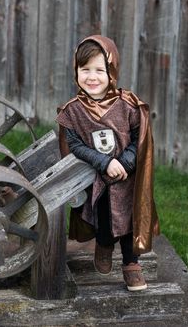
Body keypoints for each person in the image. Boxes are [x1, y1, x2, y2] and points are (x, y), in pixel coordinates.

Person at [56, 35, 159, 291]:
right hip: (97, 179)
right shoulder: (73, 110)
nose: (92, 77)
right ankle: (103, 243)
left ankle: (131, 264)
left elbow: (140, 139)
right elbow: (75, 145)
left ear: (111, 70)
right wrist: (103, 162)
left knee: (127, 220)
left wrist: (124, 162)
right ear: (76, 71)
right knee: (102, 217)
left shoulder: (128, 105)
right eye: (85, 70)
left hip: (127, 177)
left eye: (99, 70)